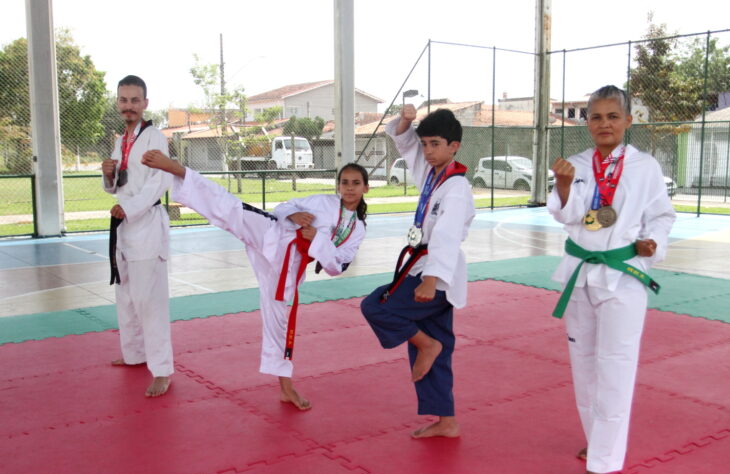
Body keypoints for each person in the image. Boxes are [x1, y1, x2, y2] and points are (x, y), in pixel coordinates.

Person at [141, 151, 369, 411]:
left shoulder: (357, 230)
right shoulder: (323, 202)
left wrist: (316, 239)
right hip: (271, 233)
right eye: (345, 183)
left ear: (366, 187)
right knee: (231, 209)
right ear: (338, 186)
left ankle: (286, 388)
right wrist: (293, 216)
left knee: (278, 321)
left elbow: (336, 266)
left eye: (355, 183)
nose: (349, 188)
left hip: (289, 264)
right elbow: (284, 207)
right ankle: (179, 171)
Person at [547, 85, 676, 474]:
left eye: (612, 116)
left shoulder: (645, 167)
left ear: (628, 121)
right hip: (581, 273)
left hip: (623, 277)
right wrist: (564, 185)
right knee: (583, 366)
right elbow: (570, 217)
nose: (604, 124)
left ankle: (599, 467)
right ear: (586, 122)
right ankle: (598, 440)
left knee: (615, 368)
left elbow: (661, 214)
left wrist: (651, 245)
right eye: (596, 117)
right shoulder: (578, 164)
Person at [361, 106, 475, 439]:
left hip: (435, 276)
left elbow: (447, 235)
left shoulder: (457, 188)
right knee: (437, 341)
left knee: (376, 306)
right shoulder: (432, 172)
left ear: (454, 145)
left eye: (435, 144)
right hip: (423, 266)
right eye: (425, 144)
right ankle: (447, 421)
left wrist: (430, 279)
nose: (427, 151)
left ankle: (426, 346)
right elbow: (406, 144)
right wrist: (407, 123)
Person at [101, 75, 174, 398]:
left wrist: (128, 208)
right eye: (123, 100)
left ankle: (162, 370)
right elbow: (120, 184)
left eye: (134, 100)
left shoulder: (155, 137)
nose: (128, 106)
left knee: (150, 301)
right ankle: (133, 353)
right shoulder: (122, 140)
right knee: (126, 293)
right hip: (126, 224)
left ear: (145, 103)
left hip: (145, 223)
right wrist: (108, 176)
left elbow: (158, 182)